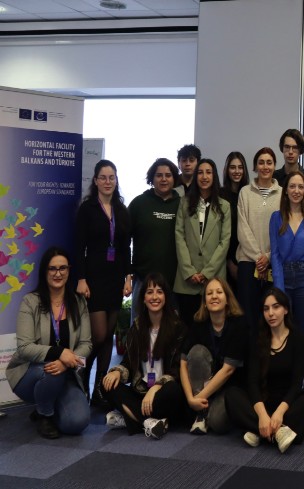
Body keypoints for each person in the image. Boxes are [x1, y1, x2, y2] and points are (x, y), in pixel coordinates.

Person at [225, 288, 304, 451]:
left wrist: (278, 414)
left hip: (287, 406)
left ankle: (259, 431)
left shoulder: (298, 338)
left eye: (276, 307)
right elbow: (252, 383)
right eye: (266, 309)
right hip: (261, 404)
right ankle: (279, 431)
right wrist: (263, 416)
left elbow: (296, 384)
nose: (271, 313)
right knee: (231, 395)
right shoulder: (258, 339)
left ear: (286, 309)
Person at [6, 247, 90, 439]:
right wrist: (59, 353)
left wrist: (66, 361)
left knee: (77, 423)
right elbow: (25, 348)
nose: (58, 273)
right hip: (30, 373)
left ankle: (48, 404)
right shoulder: (30, 302)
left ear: (69, 270)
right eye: (52, 269)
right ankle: (45, 415)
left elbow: (86, 344)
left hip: (66, 372)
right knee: (51, 370)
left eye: (63, 268)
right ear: (45, 272)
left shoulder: (79, 303)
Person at [76, 159, 132, 407]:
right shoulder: (87, 209)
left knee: (108, 335)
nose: (108, 182)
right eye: (103, 177)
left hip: (115, 277)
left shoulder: (122, 210)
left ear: (116, 180)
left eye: (112, 177)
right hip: (94, 277)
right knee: (98, 335)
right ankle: (82, 378)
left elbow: (125, 247)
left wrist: (128, 276)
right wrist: (80, 278)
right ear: (96, 180)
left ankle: (100, 389)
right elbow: (78, 246)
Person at [102, 273, 186, 439]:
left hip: (163, 392)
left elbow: (177, 370)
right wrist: (117, 372)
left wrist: (156, 387)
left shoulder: (178, 328)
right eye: (149, 292)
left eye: (159, 292)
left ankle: (131, 418)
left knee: (173, 391)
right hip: (140, 390)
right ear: (143, 298)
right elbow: (127, 362)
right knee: (106, 384)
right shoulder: (137, 327)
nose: (154, 297)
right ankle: (149, 422)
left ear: (166, 297)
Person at [270, 170, 304, 385]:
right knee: (283, 331)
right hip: (283, 278)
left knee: (302, 334)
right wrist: (279, 291)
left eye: (301, 187)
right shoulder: (276, 217)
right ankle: (285, 378)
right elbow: (274, 255)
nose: (296, 191)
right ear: (285, 190)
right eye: (292, 186)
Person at [179, 277, 247, 435]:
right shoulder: (198, 324)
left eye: (219, 292)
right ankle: (201, 414)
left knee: (217, 423)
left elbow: (228, 371)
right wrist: (190, 398)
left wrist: (198, 399)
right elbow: (183, 363)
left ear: (227, 299)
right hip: (202, 387)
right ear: (204, 302)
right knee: (196, 352)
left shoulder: (239, 325)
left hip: (231, 387)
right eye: (209, 293)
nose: (214, 296)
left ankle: (203, 411)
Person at [174, 159, 232, 328]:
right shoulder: (184, 203)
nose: (204, 176)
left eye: (209, 172)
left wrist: (206, 273)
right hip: (187, 280)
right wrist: (189, 271)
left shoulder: (224, 206)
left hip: (214, 279)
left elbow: (225, 241)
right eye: (200, 172)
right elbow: (179, 237)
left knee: (212, 328)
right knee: (187, 328)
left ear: (214, 176)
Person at [128, 158, 181, 320]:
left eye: (168, 175)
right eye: (159, 175)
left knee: (171, 332)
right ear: (152, 178)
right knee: (138, 329)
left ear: (174, 178)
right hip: (143, 279)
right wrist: (128, 275)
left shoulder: (183, 204)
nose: (164, 179)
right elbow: (123, 240)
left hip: (174, 281)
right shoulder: (139, 204)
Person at [236, 147, 282, 333]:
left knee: (272, 318)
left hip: (274, 263)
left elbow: (283, 230)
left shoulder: (283, 193)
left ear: (274, 166)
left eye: (269, 162)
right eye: (261, 162)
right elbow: (242, 228)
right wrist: (258, 258)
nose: (265, 166)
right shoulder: (245, 193)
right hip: (248, 263)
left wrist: (268, 257)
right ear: (255, 166)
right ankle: (249, 362)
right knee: (248, 317)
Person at [219, 152, 250, 290]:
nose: (237, 171)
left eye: (240, 167)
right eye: (232, 167)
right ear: (226, 170)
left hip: (246, 257)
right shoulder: (219, 195)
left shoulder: (249, 194)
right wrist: (229, 261)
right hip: (225, 259)